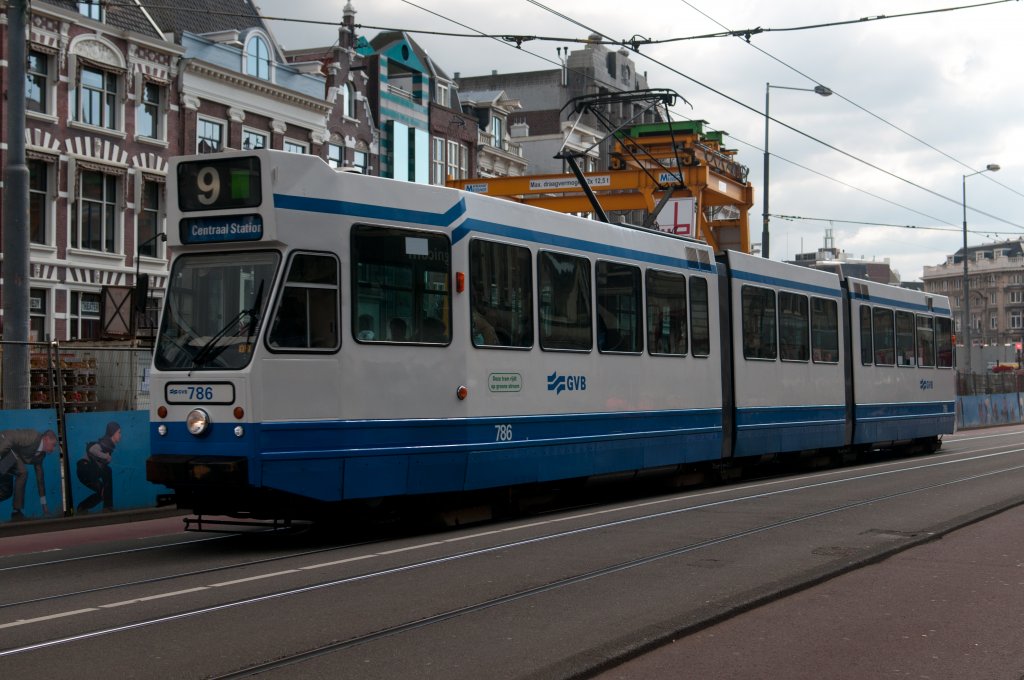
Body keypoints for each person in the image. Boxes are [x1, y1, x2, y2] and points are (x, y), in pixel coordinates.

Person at [0, 429, 58, 520]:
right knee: (23, 472)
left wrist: (44, 506)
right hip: (4, 448)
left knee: (6, 492)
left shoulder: (41, 456)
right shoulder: (32, 437)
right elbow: (9, 436)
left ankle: (16, 512)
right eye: (53, 445)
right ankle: (17, 511)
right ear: (46, 439)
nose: (54, 449)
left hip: (9, 461)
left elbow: (40, 480)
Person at [76, 421, 121, 513]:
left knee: (103, 493)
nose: (120, 435)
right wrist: (106, 457)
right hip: (85, 468)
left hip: (87, 471)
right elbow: (92, 449)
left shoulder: (109, 445)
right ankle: (107, 507)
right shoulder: (104, 443)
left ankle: (82, 508)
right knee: (107, 471)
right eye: (119, 432)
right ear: (113, 433)